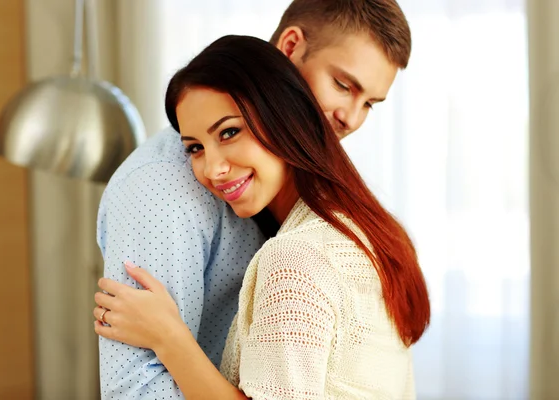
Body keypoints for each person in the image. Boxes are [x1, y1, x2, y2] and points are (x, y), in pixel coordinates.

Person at [97, 0, 412, 397]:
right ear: (291, 46)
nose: (352, 117)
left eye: (368, 103)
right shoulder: (162, 192)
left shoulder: (312, 235)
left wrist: (170, 339)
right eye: (344, 85)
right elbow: (135, 390)